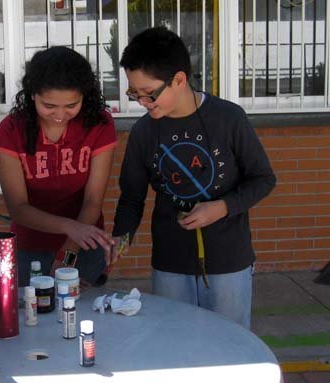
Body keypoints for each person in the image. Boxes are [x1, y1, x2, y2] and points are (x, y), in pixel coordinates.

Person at [109, 27, 276, 329]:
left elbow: (263, 179)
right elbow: (132, 197)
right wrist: (121, 237)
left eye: (149, 93)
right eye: (135, 93)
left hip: (229, 261)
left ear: (179, 80)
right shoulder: (143, 132)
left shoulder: (228, 118)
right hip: (170, 263)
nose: (142, 102)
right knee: (176, 350)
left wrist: (221, 208)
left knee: (230, 351)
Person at [0, 46, 116, 287]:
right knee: (32, 316)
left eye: (72, 105)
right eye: (49, 105)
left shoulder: (99, 124)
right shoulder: (11, 130)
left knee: (81, 318)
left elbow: (93, 200)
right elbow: (18, 207)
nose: (60, 114)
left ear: (85, 96)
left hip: (83, 248)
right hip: (29, 248)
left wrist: (67, 254)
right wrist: (70, 227)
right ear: (32, 95)